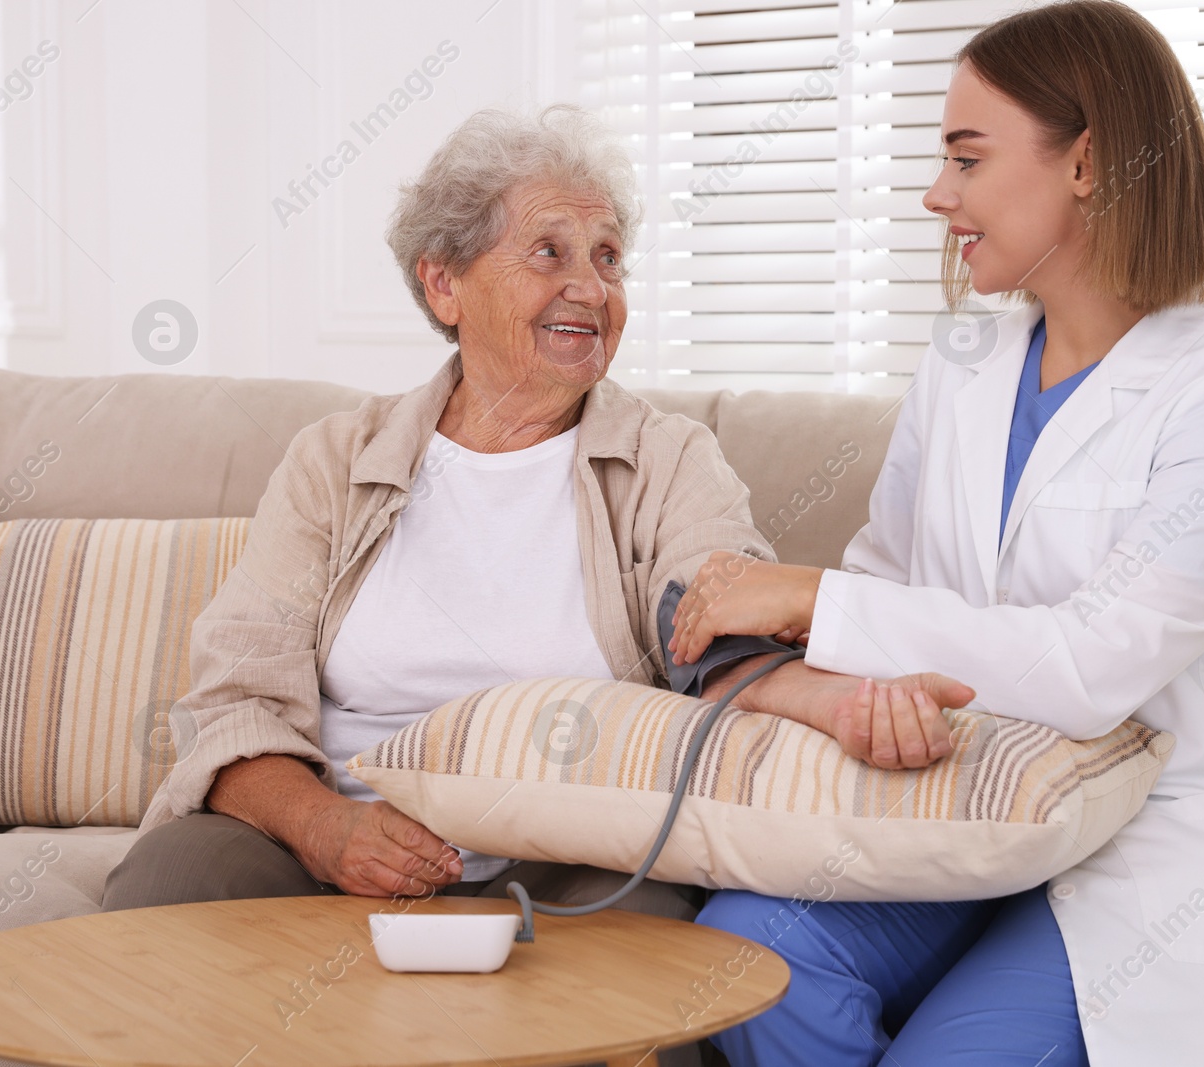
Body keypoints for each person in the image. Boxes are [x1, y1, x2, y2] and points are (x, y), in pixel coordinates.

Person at [103, 105, 969, 924]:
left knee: (655, 925)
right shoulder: (335, 462)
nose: (591, 290)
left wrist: (848, 699)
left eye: (608, 257)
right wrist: (325, 830)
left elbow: (718, 614)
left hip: (564, 854)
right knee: (174, 878)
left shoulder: (668, 459)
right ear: (444, 284)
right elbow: (235, 700)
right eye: (549, 253)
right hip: (339, 840)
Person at [667, 3, 1204, 1065]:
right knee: (747, 964)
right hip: (954, 802)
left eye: (966, 159)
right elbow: (895, 586)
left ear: (1086, 162)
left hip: (1143, 847)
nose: (938, 195)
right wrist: (868, 699)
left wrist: (807, 595)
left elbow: (1088, 666)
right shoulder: (962, 362)